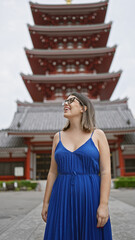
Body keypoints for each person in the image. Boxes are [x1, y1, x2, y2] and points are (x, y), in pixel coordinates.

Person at [42, 92, 112, 239]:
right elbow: (52, 172)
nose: (65, 103)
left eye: (71, 100)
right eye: (64, 101)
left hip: (90, 196)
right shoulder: (57, 137)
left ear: (83, 108)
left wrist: (104, 204)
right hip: (61, 196)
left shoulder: (98, 135)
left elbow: (105, 172)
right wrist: (46, 202)